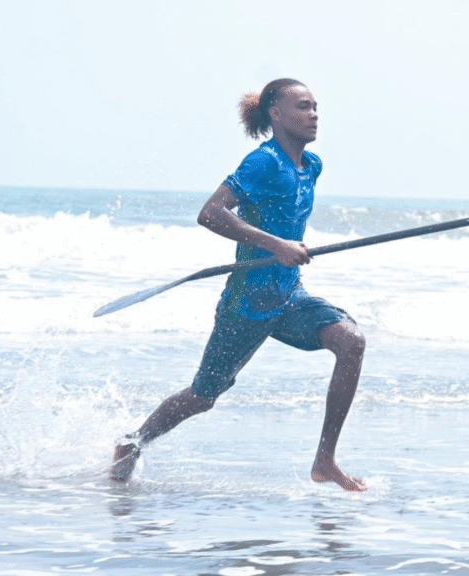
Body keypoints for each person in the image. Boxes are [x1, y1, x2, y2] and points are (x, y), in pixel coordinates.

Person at [110, 78, 367, 492]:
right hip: (247, 303)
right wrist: (276, 245)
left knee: (350, 341)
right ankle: (133, 442)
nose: (314, 114)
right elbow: (211, 213)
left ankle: (325, 460)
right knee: (202, 397)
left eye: (316, 106)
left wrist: (287, 249)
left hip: (289, 296)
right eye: (303, 107)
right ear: (276, 114)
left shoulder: (312, 166)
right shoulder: (263, 162)